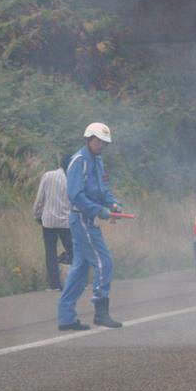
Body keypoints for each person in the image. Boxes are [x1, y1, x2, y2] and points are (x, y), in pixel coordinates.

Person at [57, 122, 125, 331]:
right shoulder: (79, 161)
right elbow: (75, 195)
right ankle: (100, 312)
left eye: (104, 143)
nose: (101, 145)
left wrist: (112, 203)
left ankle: (66, 317)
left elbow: (103, 189)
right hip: (82, 220)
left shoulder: (98, 160)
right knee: (104, 262)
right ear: (89, 139)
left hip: (88, 219)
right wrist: (98, 210)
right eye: (98, 141)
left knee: (79, 269)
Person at [33, 154, 73, 290]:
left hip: (48, 221)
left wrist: (37, 215)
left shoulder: (48, 176)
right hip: (67, 222)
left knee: (50, 251)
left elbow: (40, 199)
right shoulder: (73, 180)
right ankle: (75, 280)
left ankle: (54, 284)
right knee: (72, 250)